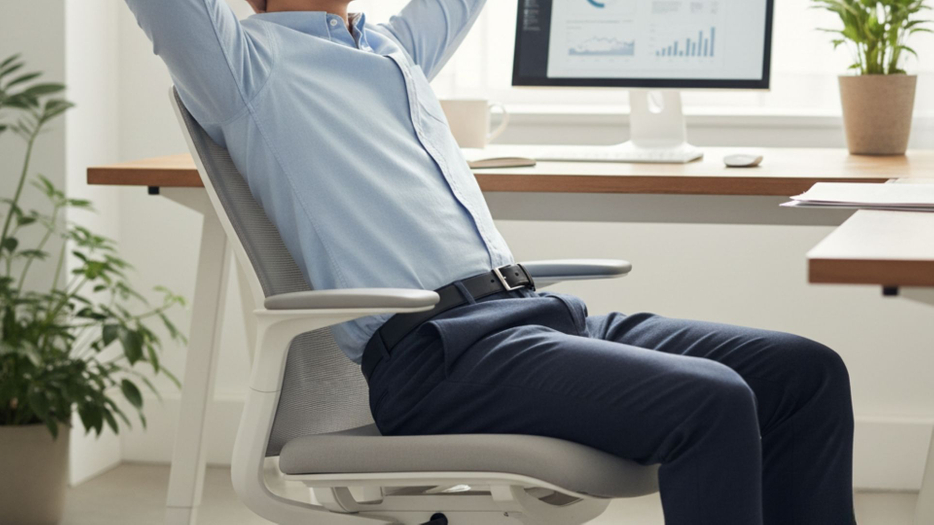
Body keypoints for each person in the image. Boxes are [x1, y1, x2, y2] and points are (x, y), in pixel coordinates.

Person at [123, 0, 856, 523]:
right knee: (714, 401)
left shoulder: (392, 51)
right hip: (439, 357)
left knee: (806, 372)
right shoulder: (242, 65)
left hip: (538, 318)